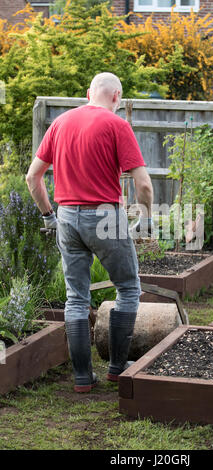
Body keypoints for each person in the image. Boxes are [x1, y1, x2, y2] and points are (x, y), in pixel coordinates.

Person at [26, 72, 154, 392]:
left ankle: (83, 377)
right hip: (104, 215)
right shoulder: (116, 125)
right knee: (126, 287)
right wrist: (148, 218)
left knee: (76, 298)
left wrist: (48, 217)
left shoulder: (60, 123)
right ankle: (115, 366)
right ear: (116, 97)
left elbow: (32, 178)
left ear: (88, 93)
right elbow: (144, 185)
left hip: (67, 216)